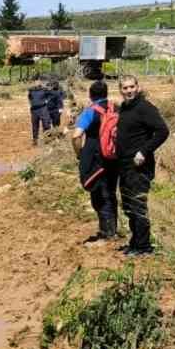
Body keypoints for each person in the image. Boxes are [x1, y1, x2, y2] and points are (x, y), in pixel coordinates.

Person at [116, 74, 169, 256]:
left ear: (137, 87)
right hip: (124, 166)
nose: (129, 91)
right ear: (120, 90)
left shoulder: (145, 107)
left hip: (139, 167)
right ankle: (135, 241)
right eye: (125, 88)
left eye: (132, 87)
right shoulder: (124, 108)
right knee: (129, 206)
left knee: (138, 205)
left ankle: (144, 246)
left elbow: (163, 131)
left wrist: (144, 151)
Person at [71, 81, 121, 243]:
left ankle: (107, 234)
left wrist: (79, 153)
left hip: (95, 159)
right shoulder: (116, 108)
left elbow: (76, 135)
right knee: (111, 193)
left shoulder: (90, 112)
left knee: (99, 196)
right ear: (106, 93)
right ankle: (113, 229)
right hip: (113, 157)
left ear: (90, 95)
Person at [27, 77, 52, 145]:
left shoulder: (44, 89)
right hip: (34, 110)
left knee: (46, 124)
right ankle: (35, 140)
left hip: (43, 108)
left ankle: (47, 139)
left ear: (41, 82)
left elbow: (51, 96)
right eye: (36, 81)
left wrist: (47, 102)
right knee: (35, 125)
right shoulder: (31, 90)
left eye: (38, 81)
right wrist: (31, 104)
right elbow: (29, 97)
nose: (37, 82)